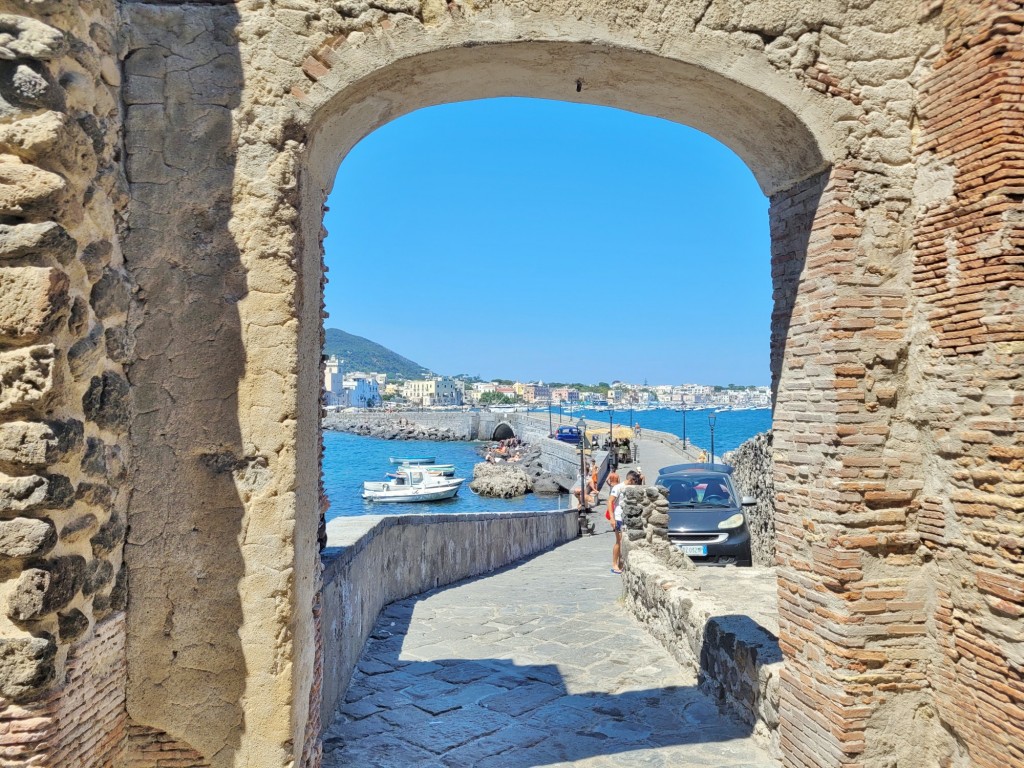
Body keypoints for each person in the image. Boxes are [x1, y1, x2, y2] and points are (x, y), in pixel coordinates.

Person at [607, 470, 641, 574]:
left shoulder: (632, 488)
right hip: (619, 518)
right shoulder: (618, 488)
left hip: (627, 519)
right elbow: (610, 501)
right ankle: (614, 564)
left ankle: (621, 564)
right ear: (631, 480)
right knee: (619, 540)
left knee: (624, 540)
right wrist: (612, 518)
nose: (636, 483)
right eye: (635, 481)